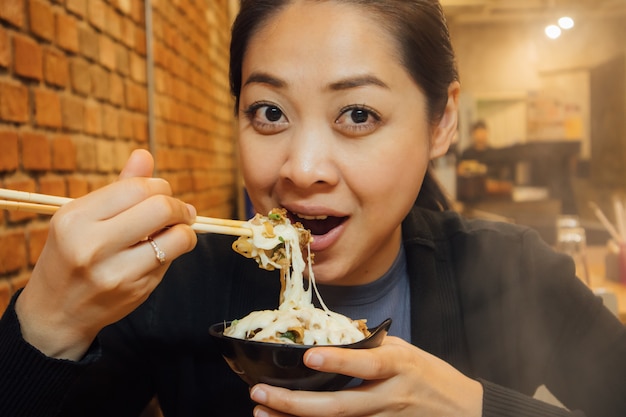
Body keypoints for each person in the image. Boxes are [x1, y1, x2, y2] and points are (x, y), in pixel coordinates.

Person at [1, 1, 625, 416]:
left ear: (442, 122)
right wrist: (46, 324)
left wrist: (477, 406)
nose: (301, 168)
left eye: (358, 115)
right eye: (269, 112)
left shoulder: (510, 270)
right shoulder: (175, 285)